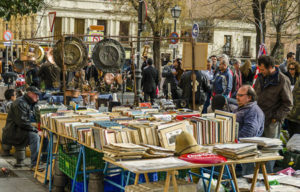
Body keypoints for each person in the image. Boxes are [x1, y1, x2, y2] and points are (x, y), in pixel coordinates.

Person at [254, 55, 293, 173]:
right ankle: (256, 177)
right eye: (260, 69)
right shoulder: (260, 78)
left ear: (271, 67)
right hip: (258, 120)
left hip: (272, 121)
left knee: (270, 152)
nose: (261, 72)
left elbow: (288, 104)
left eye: (263, 69)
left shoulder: (283, 80)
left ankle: (268, 177)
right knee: (257, 150)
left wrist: (276, 118)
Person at [2, 86, 41, 168]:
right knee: (35, 137)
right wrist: (36, 130)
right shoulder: (20, 103)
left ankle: (43, 161)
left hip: (21, 129)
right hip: (15, 131)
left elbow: (30, 119)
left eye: (38, 95)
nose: (37, 96)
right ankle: (35, 164)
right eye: (35, 94)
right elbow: (22, 122)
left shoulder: (31, 102)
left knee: (46, 135)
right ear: (29, 93)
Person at [235, 85, 264, 175]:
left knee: (246, 179)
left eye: (240, 95)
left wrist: (234, 140)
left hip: (245, 149)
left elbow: (249, 133)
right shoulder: (242, 107)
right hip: (238, 147)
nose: (237, 97)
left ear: (249, 97)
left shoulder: (253, 111)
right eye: (237, 95)